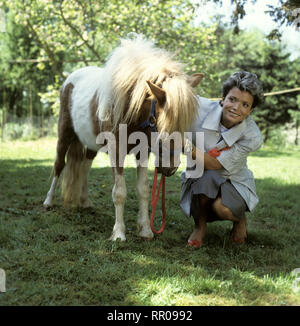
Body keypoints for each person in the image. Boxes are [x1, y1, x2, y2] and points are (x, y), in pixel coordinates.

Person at [180, 71, 264, 248]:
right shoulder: (199, 108)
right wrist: (186, 83)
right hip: (201, 177)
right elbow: (177, 95)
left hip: (233, 180)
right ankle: (199, 227)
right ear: (223, 98)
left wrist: (184, 145)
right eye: (232, 99)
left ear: (250, 110)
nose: (236, 107)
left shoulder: (252, 136)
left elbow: (216, 164)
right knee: (206, 177)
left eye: (244, 104)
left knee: (223, 208)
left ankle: (239, 219)